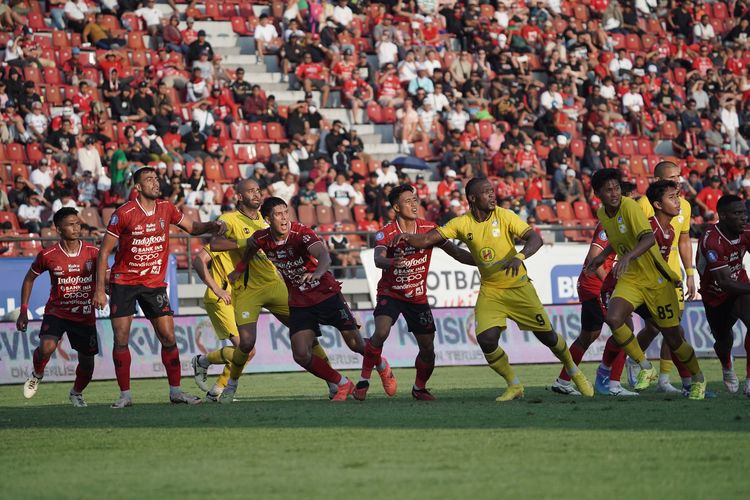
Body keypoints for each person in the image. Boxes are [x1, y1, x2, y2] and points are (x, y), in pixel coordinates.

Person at [393, 178, 594, 401]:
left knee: (548, 336)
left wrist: (519, 256)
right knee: (487, 340)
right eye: (486, 192)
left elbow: (534, 238)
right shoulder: (461, 223)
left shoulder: (504, 215)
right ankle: (514, 385)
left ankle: (573, 370)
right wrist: (408, 237)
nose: (492, 195)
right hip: (491, 290)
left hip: (519, 287)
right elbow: (429, 239)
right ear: (472, 198)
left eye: (492, 191)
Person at [93, 167, 227, 408]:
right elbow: (104, 252)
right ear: (138, 187)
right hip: (123, 282)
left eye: (156, 179)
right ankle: (125, 395)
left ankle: (176, 391)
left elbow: (193, 228)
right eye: (149, 180)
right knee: (121, 339)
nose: (155, 183)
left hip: (154, 284)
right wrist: (99, 289)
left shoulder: (166, 208)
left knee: (168, 336)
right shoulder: (124, 213)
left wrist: (213, 226)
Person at [203, 180, 336, 402]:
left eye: (258, 190)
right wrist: (244, 243)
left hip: (276, 285)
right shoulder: (228, 219)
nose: (256, 193)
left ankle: (334, 382)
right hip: (248, 290)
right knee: (246, 344)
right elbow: (215, 243)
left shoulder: (270, 219)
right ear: (239, 196)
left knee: (306, 333)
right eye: (250, 191)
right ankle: (231, 383)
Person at [228, 197, 365, 401]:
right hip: (300, 300)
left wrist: (318, 273)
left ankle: (381, 364)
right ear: (267, 219)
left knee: (355, 344)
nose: (284, 218)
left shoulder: (301, 233)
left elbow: (324, 256)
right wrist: (238, 270)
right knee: (300, 353)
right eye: (278, 214)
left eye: (286, 212)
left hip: (325, 293)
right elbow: (250, 249)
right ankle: (342, 383)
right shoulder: (262, 238)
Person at [585, 169, 706, 399]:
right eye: (609, 190)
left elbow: (647, 237)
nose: (615, 194)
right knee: (614, 319)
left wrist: (629, 257)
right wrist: (604, 255)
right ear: (597, 193)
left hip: (655, 282)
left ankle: (698, 378)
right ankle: (645, 367)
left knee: (673, 336)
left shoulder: (630, 207)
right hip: (631, 278)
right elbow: (619, 237)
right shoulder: (603, 213)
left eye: (617, 188)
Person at [354, 185, 476, 401]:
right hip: (390, 293)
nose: (413, 204)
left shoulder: (430, 228)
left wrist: (485, 262)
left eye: (415, 199)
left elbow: (456, 253)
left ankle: (419, 388)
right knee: (380, 332)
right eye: (408, 201)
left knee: (428, 349)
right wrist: (391, 262)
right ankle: (364, 380)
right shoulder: (387, 232)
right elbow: (378, 258)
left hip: (417, 298)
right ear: (396, 207)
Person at [16, 208, 99, 408]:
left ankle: (76, 393)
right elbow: (29, 279)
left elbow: (107, 277)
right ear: (59, 229)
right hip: (57, 312)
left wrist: (104, 292)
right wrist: (24, 310)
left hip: (84, 315)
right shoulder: (48, 255)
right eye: (71, 224)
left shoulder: (93, 252)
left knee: (87, 364)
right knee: (46, 348)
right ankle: (37, 374)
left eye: (78, 223)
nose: (76, 227)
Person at [631, 160, 696, 392]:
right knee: (656, 327)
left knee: (673, 327)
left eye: (679, 176)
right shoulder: (643, 205)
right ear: (658, 181)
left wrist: (689, 273)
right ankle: (635, 360)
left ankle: (665, 380)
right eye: (673, 177)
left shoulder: (684, 207)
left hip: (672, 276)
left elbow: (685, 239)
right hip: (646, 277)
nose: (678, 180)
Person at [550, 219, 625, 395]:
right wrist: (609, 283)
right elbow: (594, 255)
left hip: (591, 285)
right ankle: (613, 384)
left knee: (588, 336)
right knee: (623, 330)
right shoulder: (609, 224)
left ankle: (563, 381)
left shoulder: (620, 223)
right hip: (596, 286)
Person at [696, 195, 750, 396]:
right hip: (715, 295)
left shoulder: (746, 231)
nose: (743, 217)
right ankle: (727, 366)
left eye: (744, 212)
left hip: (741, 286)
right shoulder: (712, 240)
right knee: (723, 339)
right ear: (723, 216)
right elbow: (725, 283)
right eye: (737, 213)